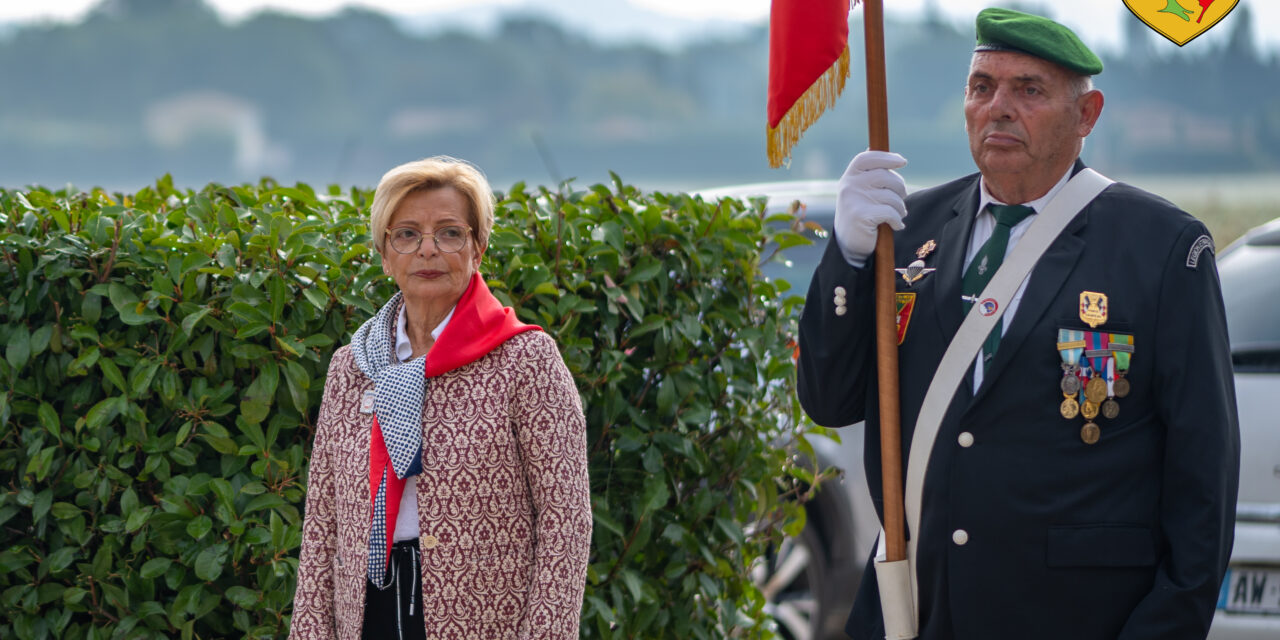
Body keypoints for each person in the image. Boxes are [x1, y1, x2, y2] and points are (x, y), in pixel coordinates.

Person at [797, 8, 1239, 640]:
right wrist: (849, 255)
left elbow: (1203, 481)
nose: (998, 107)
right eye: (982, 87)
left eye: (1028, 89)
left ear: (1087, 115)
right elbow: (827, 398)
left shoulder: (1161, 248)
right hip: (914, 613)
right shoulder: (908, 232)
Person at [289, 156, 592, 639]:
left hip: (485, 616)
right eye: (406, 234)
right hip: (367, 608)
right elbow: (323, 524)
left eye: (449, 233)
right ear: (386, 255)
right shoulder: (352, 367)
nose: (427, 249)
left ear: (478, 248)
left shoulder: (527, 359)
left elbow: (566, 521)